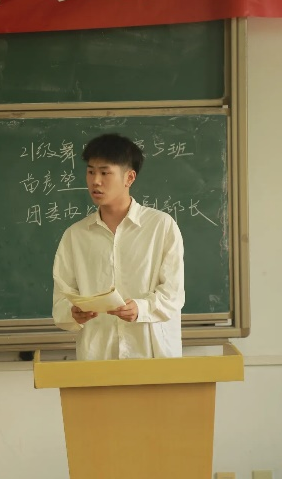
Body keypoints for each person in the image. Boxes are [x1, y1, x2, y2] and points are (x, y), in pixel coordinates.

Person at [52, 133, 185, 360]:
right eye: (91, 172)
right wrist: (73, 313)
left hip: (152, 356)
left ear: (129, 178)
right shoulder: (75, 235)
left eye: (105, 173)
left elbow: (173, 294)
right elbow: (61, 301)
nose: (95, 181)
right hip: (98, 357)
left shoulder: (161, 226)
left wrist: (141, 309)